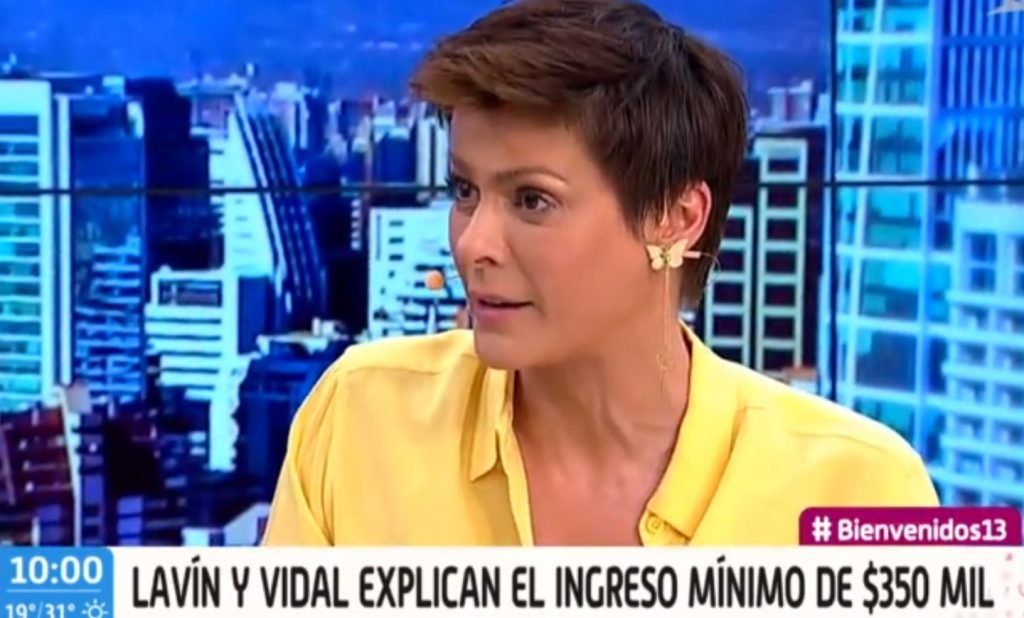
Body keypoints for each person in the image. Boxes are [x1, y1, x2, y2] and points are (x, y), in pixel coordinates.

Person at [262, 0, 938, 547]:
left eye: (533, 200)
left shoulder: (860, 489)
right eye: (465, 191)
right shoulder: (361, 418)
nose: (472, 244)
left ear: (675, 219)